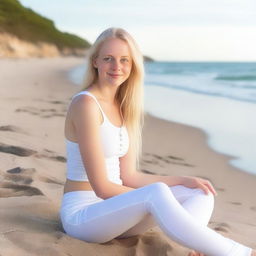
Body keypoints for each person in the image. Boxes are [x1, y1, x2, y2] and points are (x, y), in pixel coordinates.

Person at [60, 27, 255, 256]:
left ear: (133, 65)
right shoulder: (85, 104)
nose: (117, 67)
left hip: (118, 214)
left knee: (201, 192)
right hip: (84, 216)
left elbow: (130, 177)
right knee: (157, 193)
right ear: (95, 62)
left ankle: (197, 248)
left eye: (125, 60)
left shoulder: (124, 107)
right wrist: (157, 199)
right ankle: (241, 253)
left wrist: (185, 180)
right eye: (108, 59)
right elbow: (102, 188)